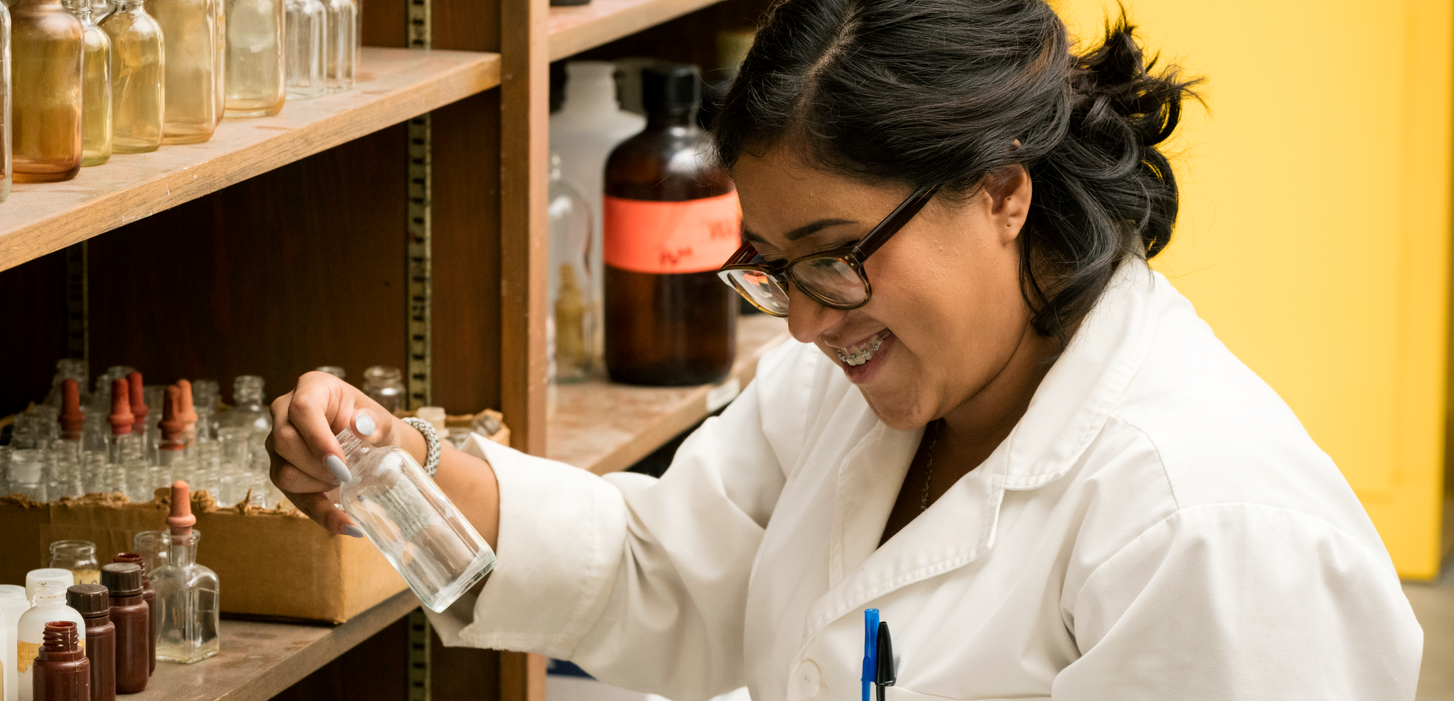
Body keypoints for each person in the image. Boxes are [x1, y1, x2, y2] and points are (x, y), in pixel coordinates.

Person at [268, 0, 1424, 698]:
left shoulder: (1205, 522)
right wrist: (401, 473)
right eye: (770, 266)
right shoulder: (862, 384)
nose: (809, 320)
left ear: (1001, 192)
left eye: (834, 252)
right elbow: (667, 570)